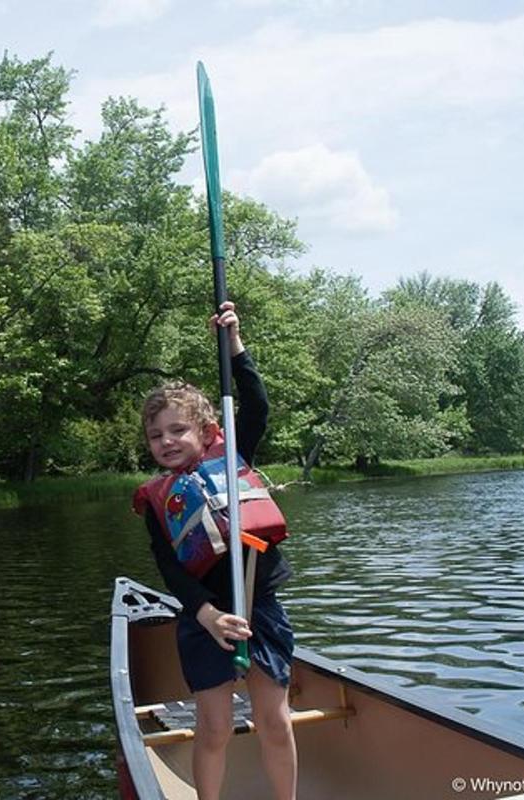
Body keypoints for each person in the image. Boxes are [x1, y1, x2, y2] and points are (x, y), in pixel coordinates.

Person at [133, 301, 297, 800]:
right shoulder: (160, 501)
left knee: (274, 720)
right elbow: (170, 569)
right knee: (214, 728)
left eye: (178, 430)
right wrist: (204, 614)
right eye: (156, 435)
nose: (166, 441)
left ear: (206, 433)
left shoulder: (232, 456)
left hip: (259, 608)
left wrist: (234, 344)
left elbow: (257, 404)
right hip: (204, 619)